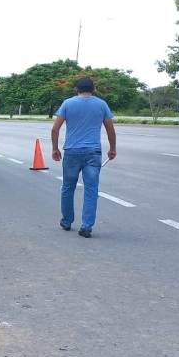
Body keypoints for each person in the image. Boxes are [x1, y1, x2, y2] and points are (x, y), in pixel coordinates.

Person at [51, 76, 116, 238]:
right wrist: (112, 148)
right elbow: (110, 130)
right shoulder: (101, 104)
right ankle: (86, 227)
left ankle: (66, 221)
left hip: (72, 152)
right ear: (93, 89)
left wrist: (55, 149)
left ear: (76, 89)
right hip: (93, 152)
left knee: (67, 187)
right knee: (91, 190)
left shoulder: (68, 103)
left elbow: (55, 129)